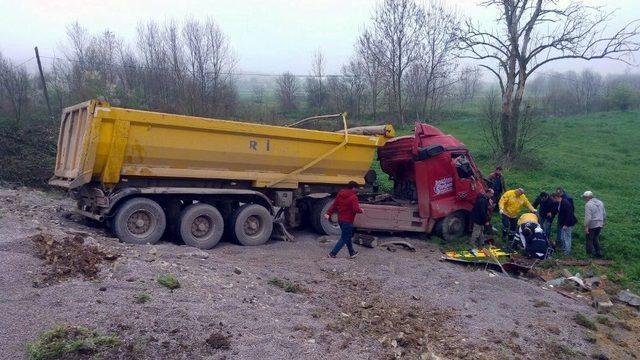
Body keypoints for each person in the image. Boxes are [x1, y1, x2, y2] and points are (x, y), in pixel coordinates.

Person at [326, 181, 363, 259]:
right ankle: (332, 253)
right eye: (356, 188)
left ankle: (352, 252)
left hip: (340, 220)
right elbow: (356, 209)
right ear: (353, 188)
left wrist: (328, 213)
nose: (357, 190)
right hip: (348, 220)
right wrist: (361, 210)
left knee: (347, 236)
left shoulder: (340, 194)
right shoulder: (354, 197)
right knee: (344, 237)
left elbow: (334, 205)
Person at [583, 191, 606, 258]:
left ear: (587, 197)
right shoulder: (600, 202)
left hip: (592, 224)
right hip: (600, 223)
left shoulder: (588, 204)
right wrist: (603, 222)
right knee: (595, 238)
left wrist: (586, 227)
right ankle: (599, 253)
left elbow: (588, 217)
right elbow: (604, 214)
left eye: (584, 197)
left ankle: (589, 255)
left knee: (589, 239)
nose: (584, 199)